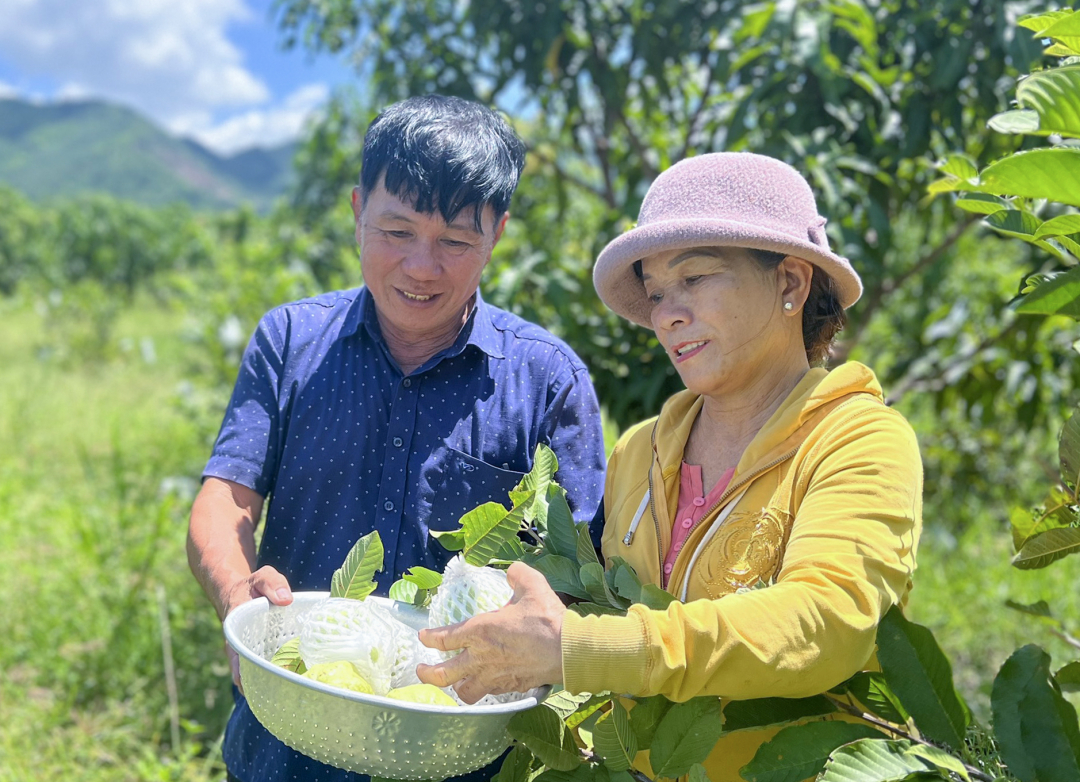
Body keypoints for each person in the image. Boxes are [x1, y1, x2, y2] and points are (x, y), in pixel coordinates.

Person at [416, 152, 923, 781]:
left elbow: (824, 623)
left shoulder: (859, 440)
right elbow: (606, 622)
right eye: (656, 293)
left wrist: (575, 650)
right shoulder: (640, 450)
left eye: (696, 278)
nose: (667, 314)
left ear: (791, 283)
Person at [186, 95, 607, 782]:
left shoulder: (548, 380)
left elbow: (577, 572)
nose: (420, 267)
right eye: (397, 231)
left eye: (455, 242)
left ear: (497, 233)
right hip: (284, 747)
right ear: (357, 213)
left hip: (460, 758)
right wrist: (238, 595)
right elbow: (224, 500)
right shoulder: (291, 343)